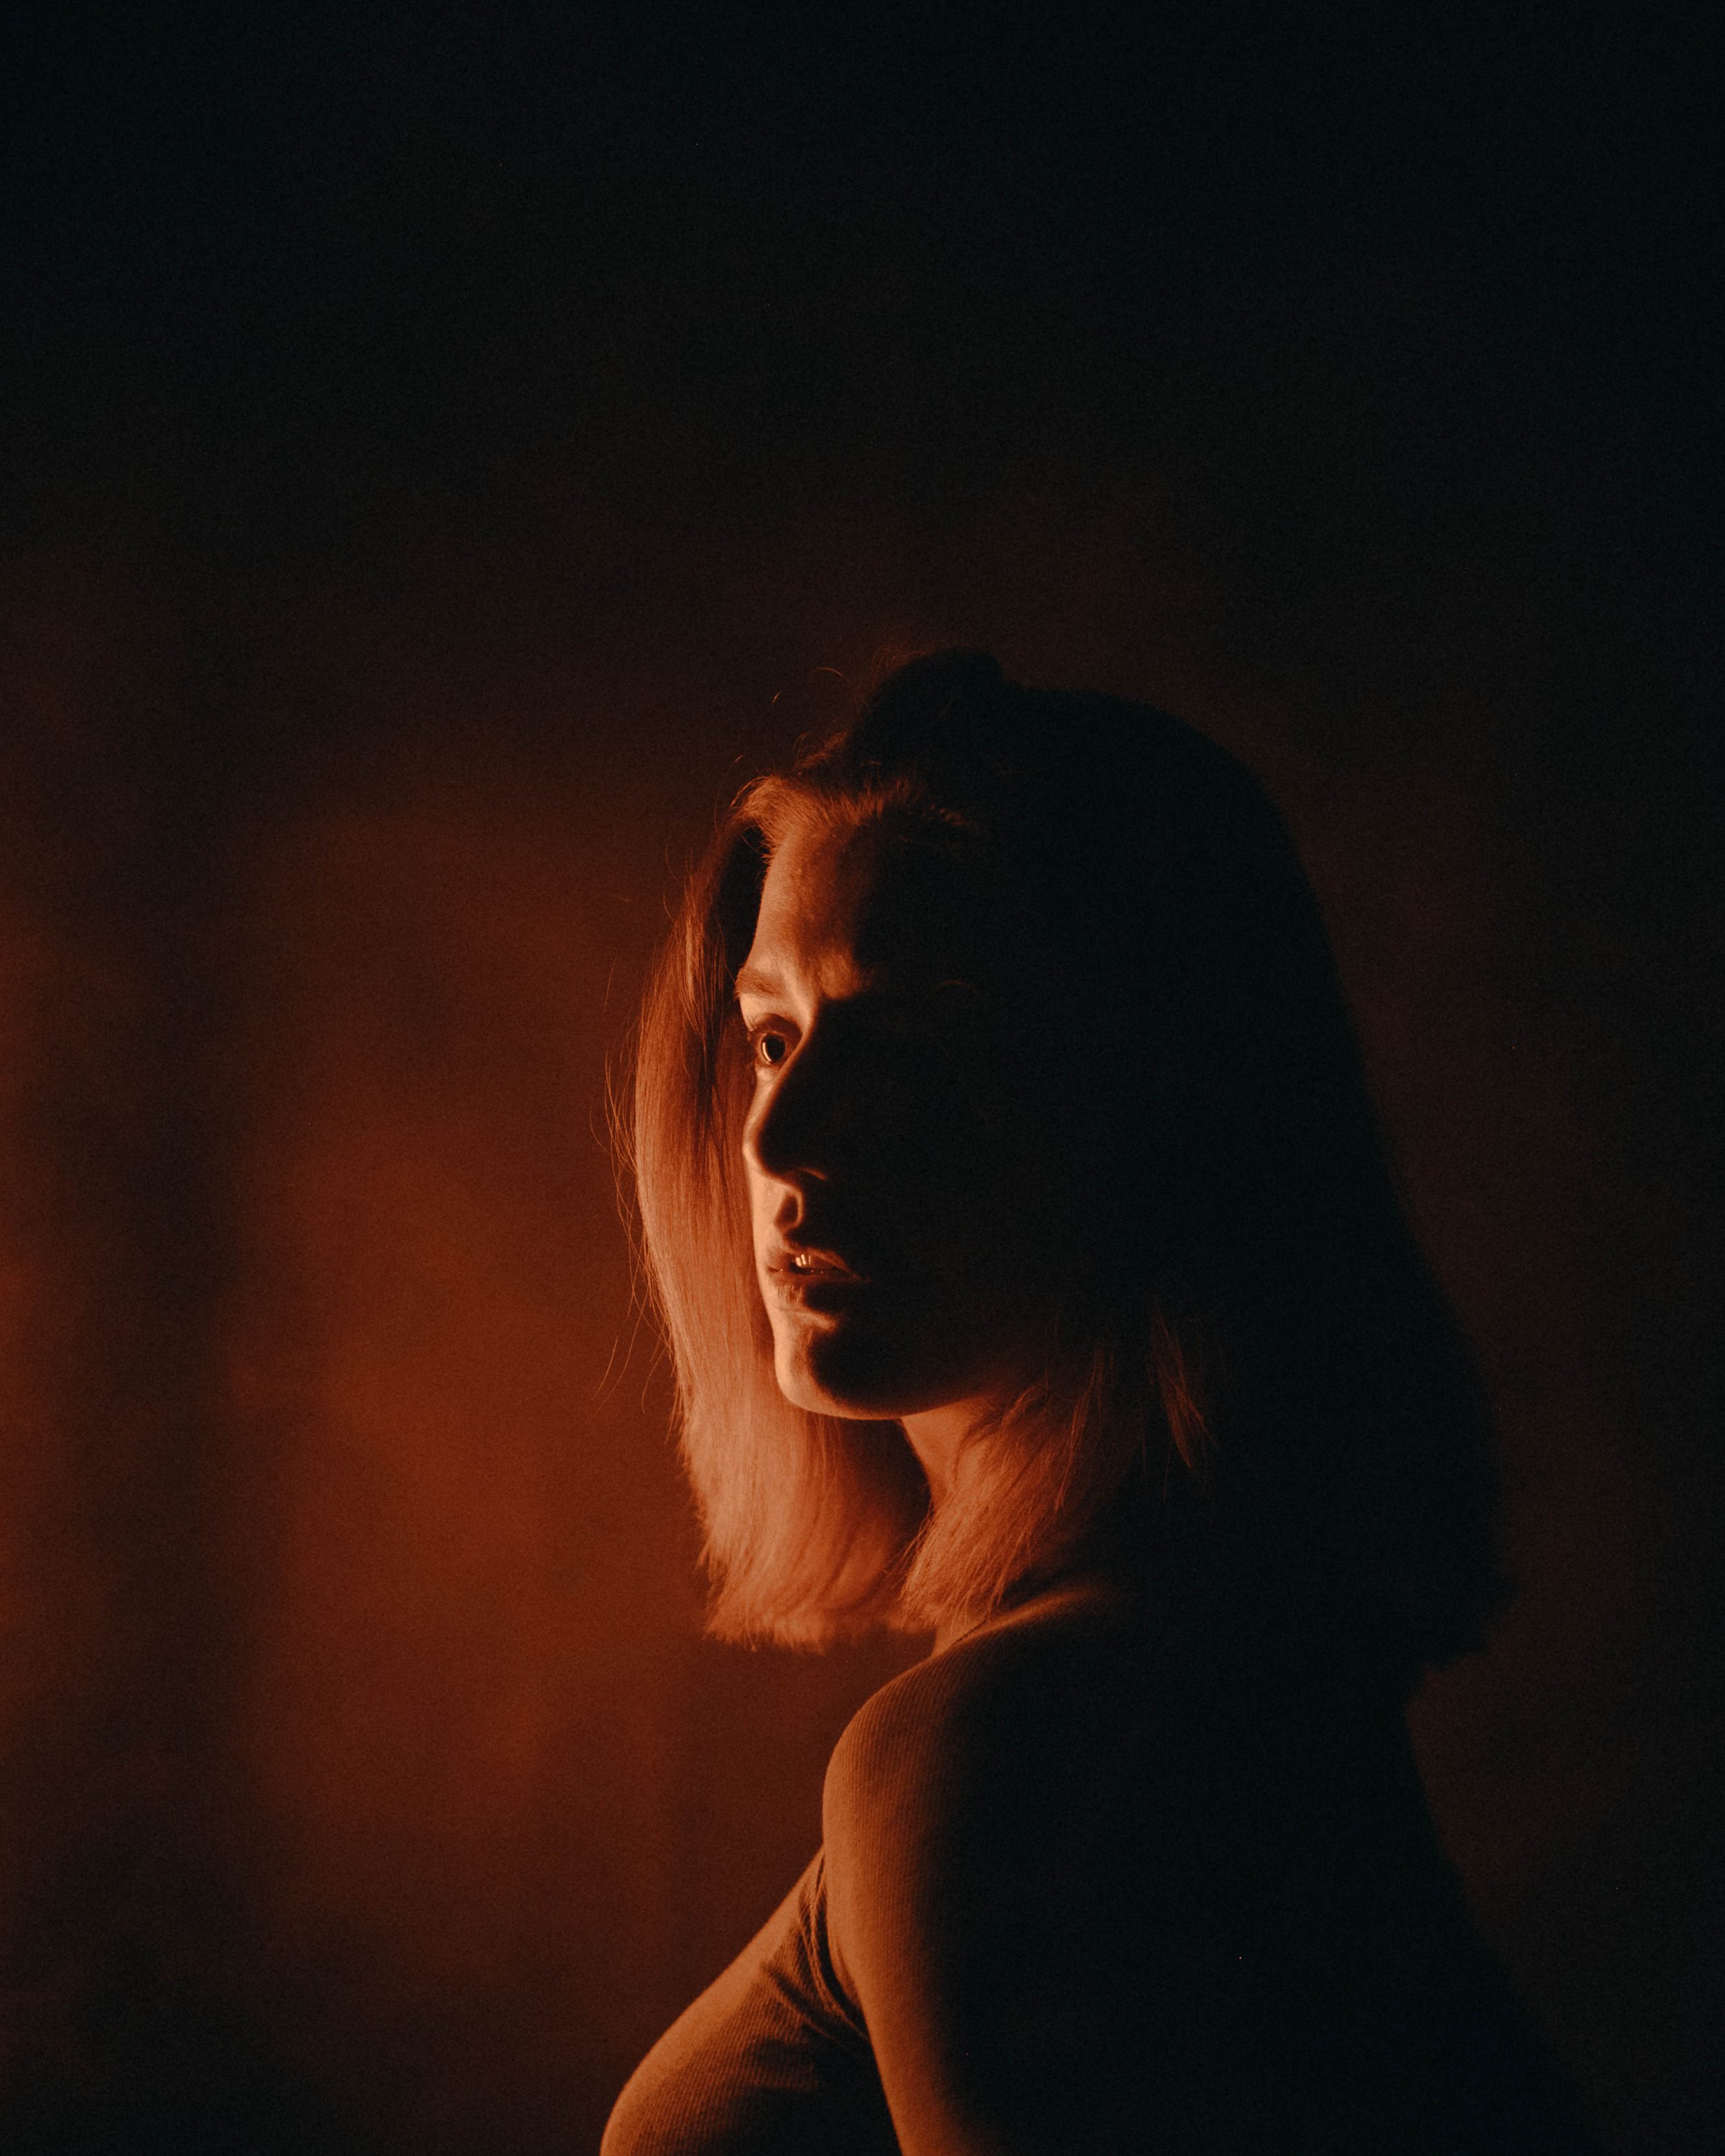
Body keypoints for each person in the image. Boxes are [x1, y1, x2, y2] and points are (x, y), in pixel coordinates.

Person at [602, 651, 1599, 2154]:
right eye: (770, 1036)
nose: (782, 1138)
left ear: (1155, 1103)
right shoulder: (1214, 1673)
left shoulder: (1020, 1747)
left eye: (917, 1045)